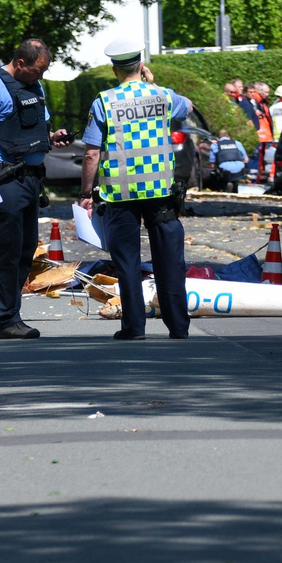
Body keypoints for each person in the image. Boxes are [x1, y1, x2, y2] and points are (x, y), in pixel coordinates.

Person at [78, 40, 192, 341]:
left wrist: (86, 193)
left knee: (127, 263)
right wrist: (155, 85)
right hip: (161, 193)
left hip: (120, 196)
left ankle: (134, 327)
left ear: (114, 69)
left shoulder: (103, 101)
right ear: (142, 67)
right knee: (169, 261)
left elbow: (91, 154)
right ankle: (178, 327)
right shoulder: (164, 96)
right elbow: (188, 106)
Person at [0, 38, 73, 339]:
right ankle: (7, 319)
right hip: (2, 180)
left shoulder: (33, 86)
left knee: (25, 252)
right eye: (38, 70)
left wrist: (54, 135)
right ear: (21, 63)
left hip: (30, 180)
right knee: (6, 250)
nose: (42, 77)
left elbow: (35, 127)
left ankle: (2, 315)